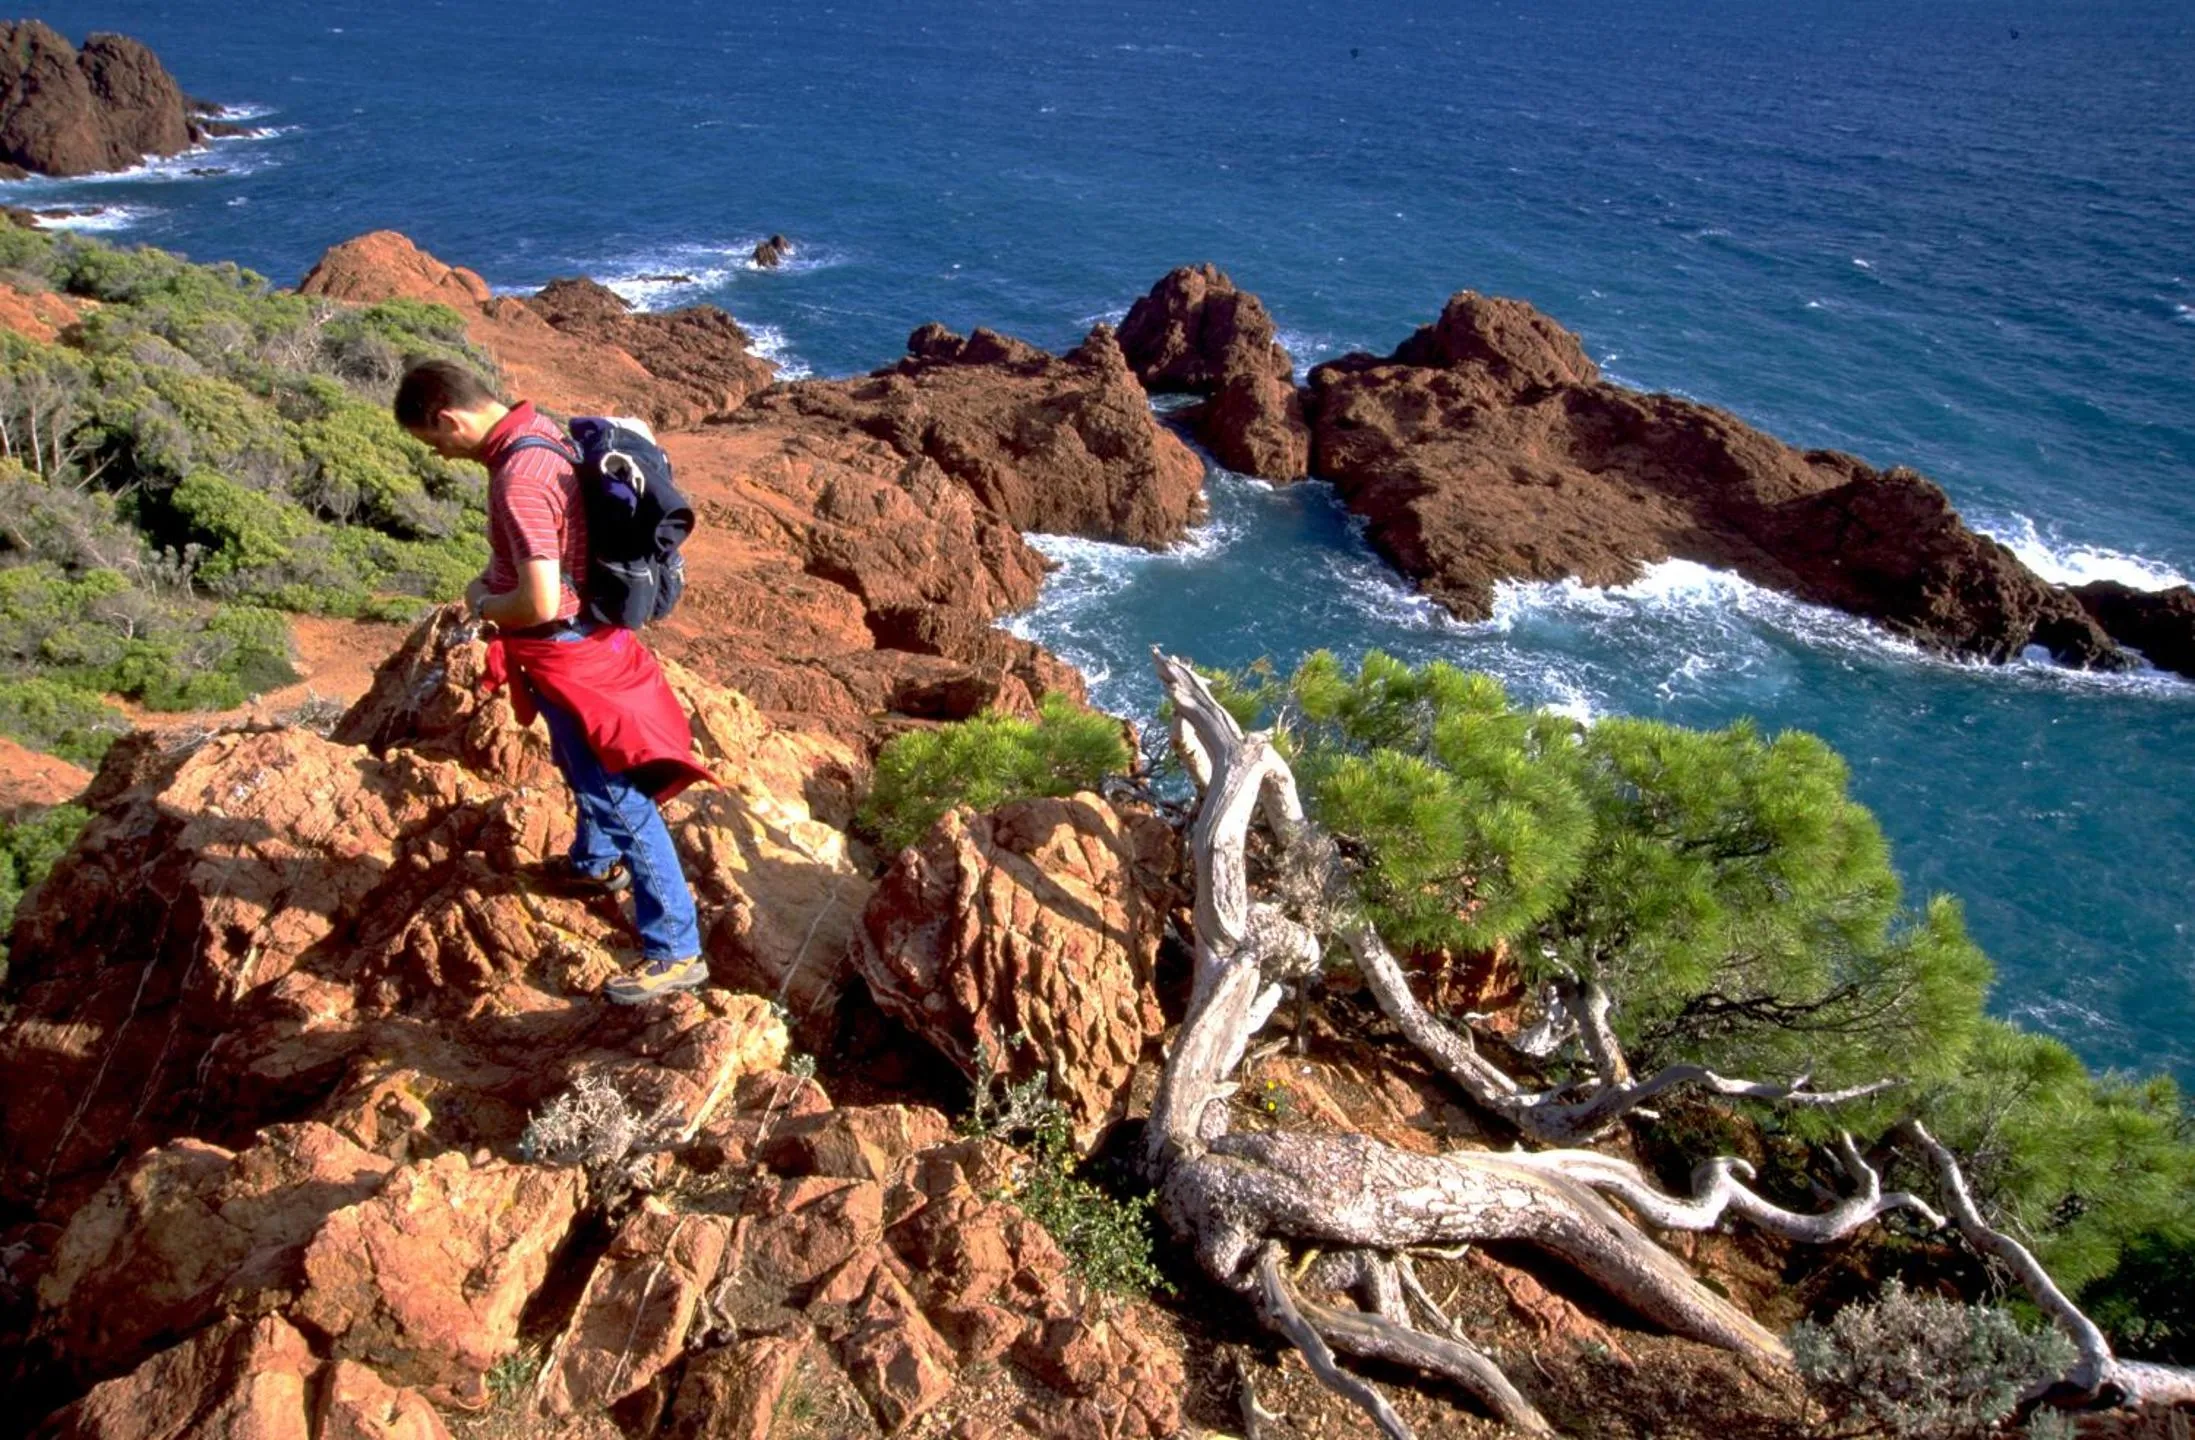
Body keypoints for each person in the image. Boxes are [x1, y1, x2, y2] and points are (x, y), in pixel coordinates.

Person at [393, 358, 711, 1004]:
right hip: (588, 639)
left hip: (566, 651)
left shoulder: (516, 478)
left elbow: (539, 601)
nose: (441, 456)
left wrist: (483, 603)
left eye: (434, 443)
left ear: (449, 419)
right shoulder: (538, 429)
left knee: (619, 799)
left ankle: (676, 950)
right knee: (578, 764)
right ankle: (594, 865)